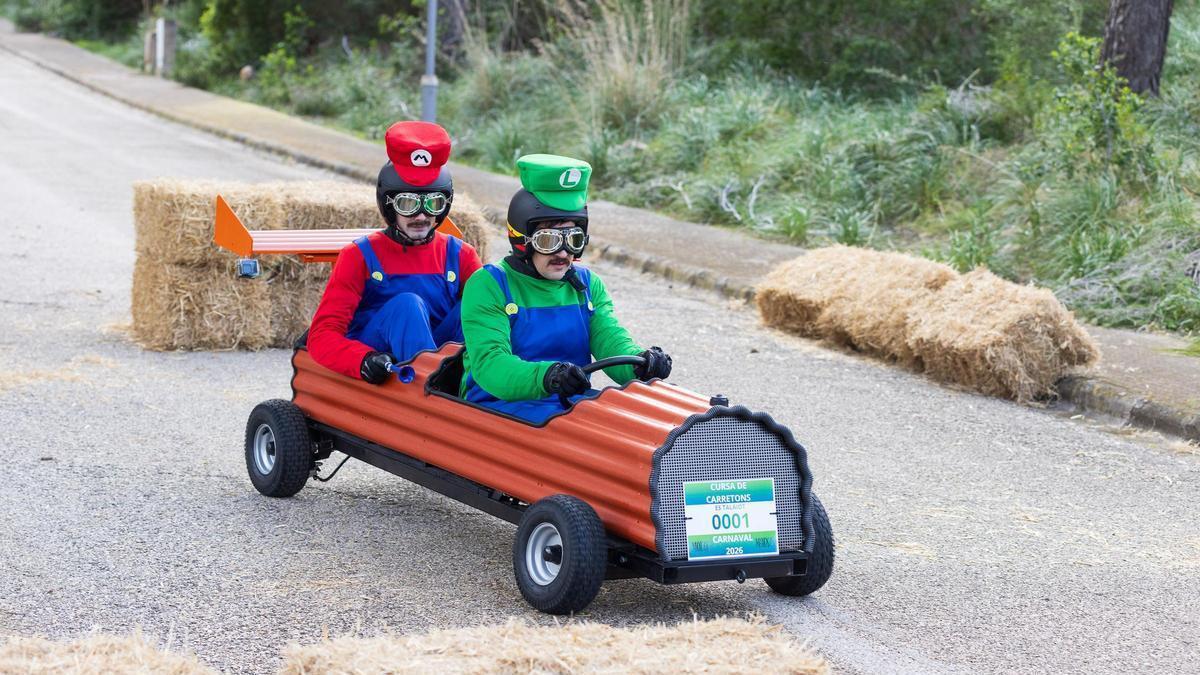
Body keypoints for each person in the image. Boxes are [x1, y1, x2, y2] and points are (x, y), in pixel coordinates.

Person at [458, 154, 672, 423]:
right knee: (595, 428)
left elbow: (609, 337)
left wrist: (640, 362)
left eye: (574, 239)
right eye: (548, 240)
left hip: (567, 402)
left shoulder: (587, 284)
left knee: (637, 421)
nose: (563, 252)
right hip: (497, 405)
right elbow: (491, 366)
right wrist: (547, 376)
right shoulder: (490, 284)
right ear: (522, 240)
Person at [308, 121, 482, 384]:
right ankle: (434, 386)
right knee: (407, 305)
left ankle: (472, 384)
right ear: (388, 205)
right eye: (408, 203)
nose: (422, 215)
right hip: (386, 359)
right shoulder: (358, 256)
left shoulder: (461, 255)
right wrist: (362, 360)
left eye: (433, 202)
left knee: (480, 301)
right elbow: (322, 336)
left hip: (442, 357)